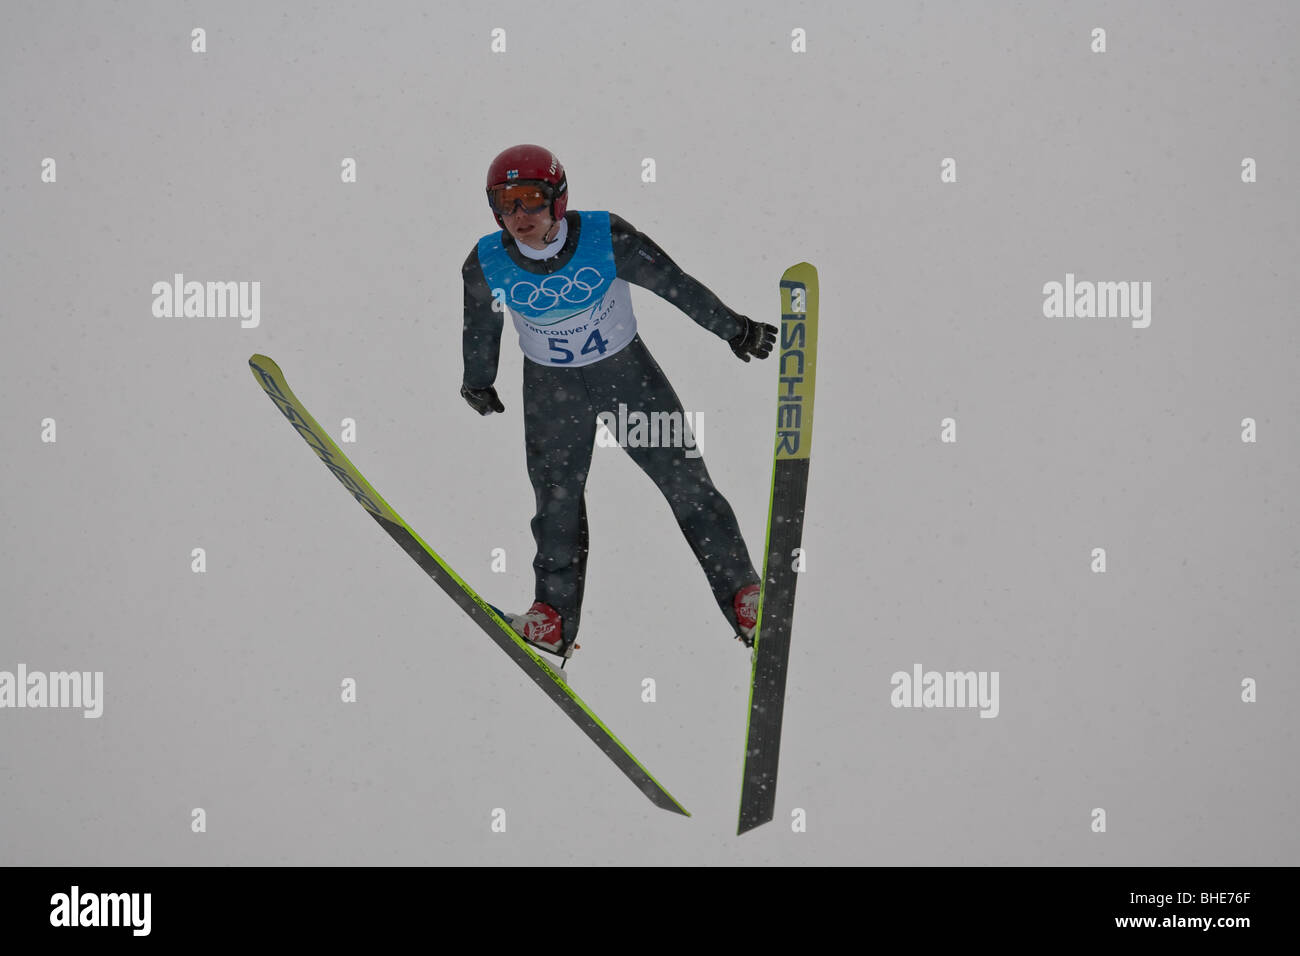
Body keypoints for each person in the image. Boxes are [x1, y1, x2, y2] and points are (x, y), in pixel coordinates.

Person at [460, 144, 776, 661]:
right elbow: (480, 322)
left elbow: (675, 284)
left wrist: (733, 329)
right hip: (551, 392)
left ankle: (745, 596)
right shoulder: (487, 261)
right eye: (506, 202)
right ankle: (553, 619)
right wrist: (478, 379)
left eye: (532, 201)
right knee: (556, 505)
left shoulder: (605, 238)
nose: (520, 216)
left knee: (686, 484)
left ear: (558, 201)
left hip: (627, 379)